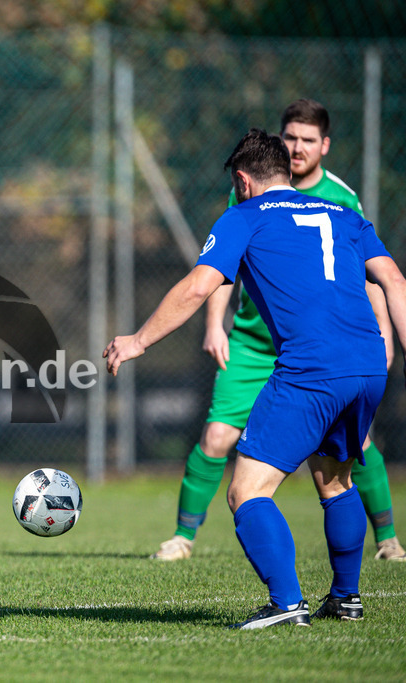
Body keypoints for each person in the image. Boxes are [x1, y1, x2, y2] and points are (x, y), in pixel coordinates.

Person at [105, 128, 406, 628]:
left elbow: (200, 284)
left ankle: (287, 604)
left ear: (243, 180)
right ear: (286, 170)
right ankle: (346, 597)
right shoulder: (348, 216)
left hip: (311, 369)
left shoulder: (243, 216)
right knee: (335, 480)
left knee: (246, 492)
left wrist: (137, 341)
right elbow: (394, 280)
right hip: (368, 364)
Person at [152, 99, 405, 562]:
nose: (296, 147)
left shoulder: (341, 200)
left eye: (307, 139)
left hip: (312, 354)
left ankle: (377, 545)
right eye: (289, 137)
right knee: (226, 441)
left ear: (324, 146)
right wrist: (216, 325)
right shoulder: (250, 203)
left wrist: (387, 332)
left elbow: (365, 281)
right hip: (260, 342)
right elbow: (226, 271)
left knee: (255, 487)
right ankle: (183, 537)